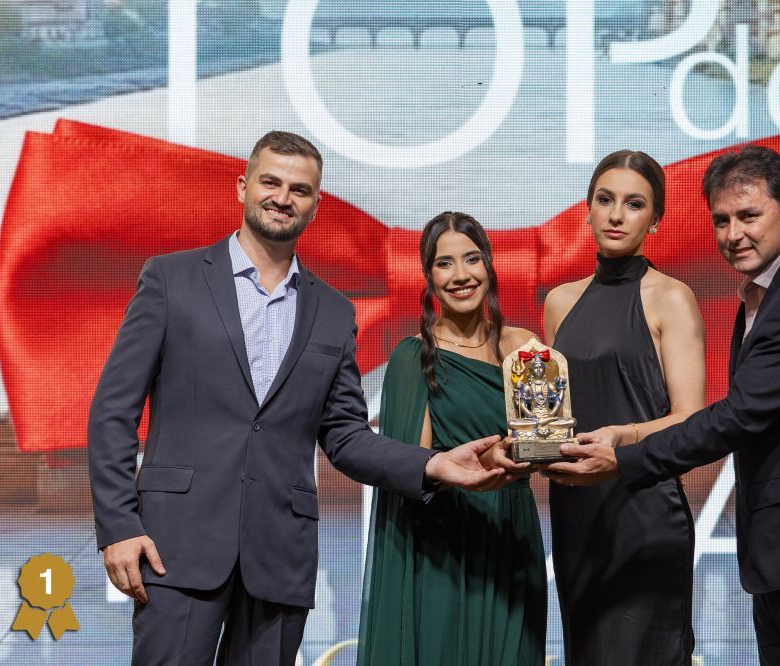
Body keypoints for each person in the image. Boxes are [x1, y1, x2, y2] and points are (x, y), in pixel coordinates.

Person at [87, 132, 503, 665]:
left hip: (279, 557)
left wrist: (434, 464)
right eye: (271, 182)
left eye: (299, 189)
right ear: (243, 187)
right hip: (176, 547)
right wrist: (119, 526)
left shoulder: (333, 311)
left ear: (315, 203)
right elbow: (113, 411)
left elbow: (346, 437)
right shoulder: (172, 279)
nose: (283, 198)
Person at [545, 146, 780, 666]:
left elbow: (737, 416)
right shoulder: (769, 291)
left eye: (749, 216)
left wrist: (623, 456)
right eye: (722, 220)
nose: (734, 233)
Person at [357, 212, 546, 666]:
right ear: (429, 277)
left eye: (472, 259)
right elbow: (412, 470)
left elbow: (543, 444)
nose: (461, 275)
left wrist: (539, 450)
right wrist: (478, 464)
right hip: (444, 546)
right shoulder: (413, 357)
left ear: (489, 266)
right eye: (445, 263)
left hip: (512, 535)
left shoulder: (525, 349)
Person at [542, 150, 705, 664]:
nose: (616, 215)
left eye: (634, 204)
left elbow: (691, 420)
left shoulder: (671, 298)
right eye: (605, 200)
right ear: (587, 209)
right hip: (576, 516)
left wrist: (623, 436)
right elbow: (553, 417)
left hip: (644, 513)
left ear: (655, 220)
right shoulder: (559, 302)